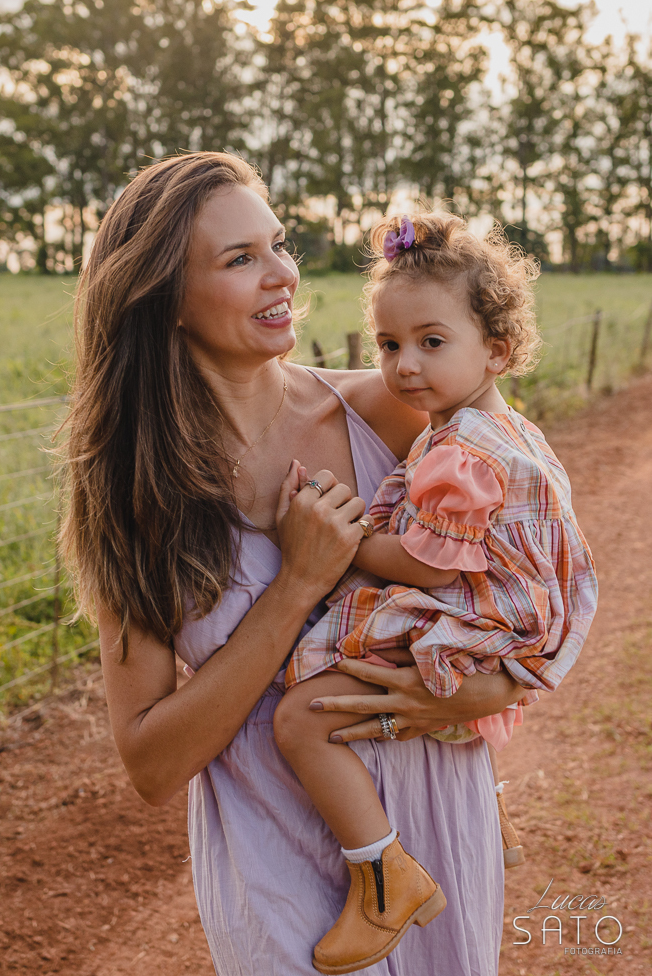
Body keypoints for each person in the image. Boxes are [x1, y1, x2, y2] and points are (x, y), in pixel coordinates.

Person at [60, 151, 529, 976]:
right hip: (271, 862)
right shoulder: (137, 496)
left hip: (435, 820)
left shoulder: (394, 410)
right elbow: (152, 763)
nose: (281, 274)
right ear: (165, 298)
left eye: (277, 243)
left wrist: (498, 684)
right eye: (240, 259)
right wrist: (301, 582)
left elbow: (534, 557)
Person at [274, 212, 598, 973]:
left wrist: (341, 543)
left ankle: (383, 875)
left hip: (481, 614)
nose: (404, 365)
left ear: (496, 349)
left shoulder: (458, 451)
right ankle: (486, 806)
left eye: (430, 341)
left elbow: (428, 566)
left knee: (299, 718)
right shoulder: (504, 427)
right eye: (388, 345)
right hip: (510, 612)